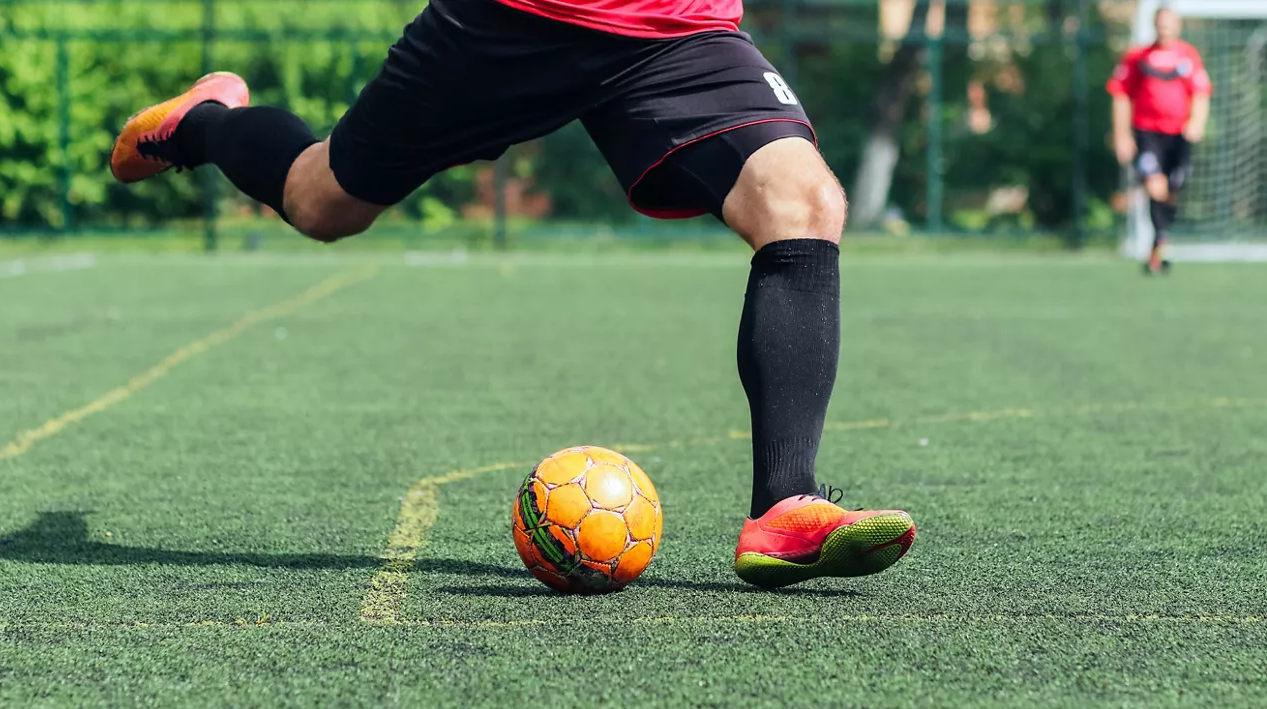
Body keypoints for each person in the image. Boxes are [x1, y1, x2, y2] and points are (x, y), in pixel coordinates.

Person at [109, 0, 916, 589]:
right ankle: (207, 123)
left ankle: (784, 507)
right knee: (322, 202)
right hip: (515, 20)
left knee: (802, 203)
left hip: (678, 26)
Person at [1108, 6, 1212, 274]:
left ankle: (1158, 243)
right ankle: (1161, 243)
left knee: (1173, 188)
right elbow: (1120, 94)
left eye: (1170, 24)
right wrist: (1121, 134)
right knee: (1156, 186)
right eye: (1161, 23)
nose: (1165, 28)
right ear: (1155, 25)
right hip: (1147, 132)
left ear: (1177, 26)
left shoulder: (1188, 56)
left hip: (1179, 135)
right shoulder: (1137, 58)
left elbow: (1201, 92)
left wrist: (1196, 122)